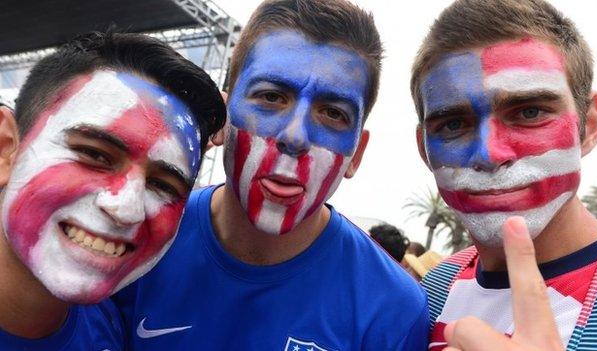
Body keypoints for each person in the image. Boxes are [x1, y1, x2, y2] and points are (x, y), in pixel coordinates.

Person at [113, 0, 429, 350]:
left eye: (333, 114)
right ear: (220, 118)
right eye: (271, 97)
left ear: (357, 153)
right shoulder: (136, 234)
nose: (295, 136)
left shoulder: (392, 307)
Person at [410, 0, 597, 350]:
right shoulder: (430, 291)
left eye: (530, 112)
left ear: (589, 126)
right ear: (424, 150)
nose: (489, 154)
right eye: (454, 124)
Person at [0, 31, 225, 350]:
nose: (126, 208)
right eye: (95, 155)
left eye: (162, 185)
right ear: (6, 147)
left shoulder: (113, 322)